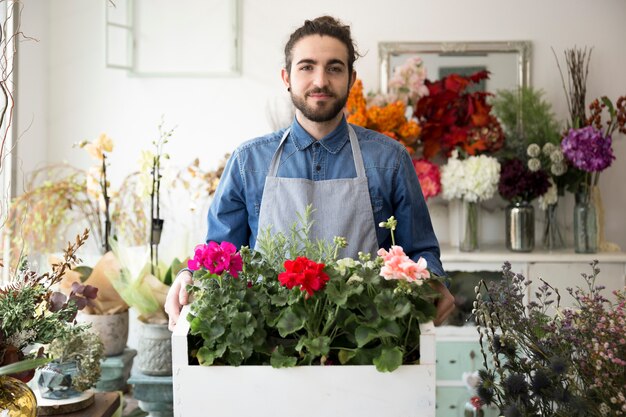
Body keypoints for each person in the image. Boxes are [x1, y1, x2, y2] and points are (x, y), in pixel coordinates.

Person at [165, 16, 454, 330]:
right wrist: (187, 276)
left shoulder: (389, 160)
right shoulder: (249, 161)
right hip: (268, 345)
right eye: (306, 67)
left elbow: (419, 250)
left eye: (334, 68)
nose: (320, 81)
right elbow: (219, 253)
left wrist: (433, 279)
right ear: (286, 77)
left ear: (351, 78)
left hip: (364, 342)